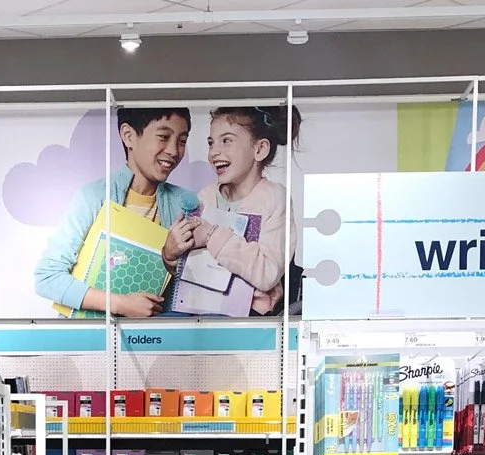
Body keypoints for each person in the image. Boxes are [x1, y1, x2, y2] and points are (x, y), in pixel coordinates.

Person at [35, 107, 199, 318]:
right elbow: (47, 278)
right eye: (163, 137)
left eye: (182, 141)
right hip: (90, 340)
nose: (174, 151)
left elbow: (196, 294)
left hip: (155, 342)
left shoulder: (186, 204)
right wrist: (120, 304)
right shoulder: (93, 197)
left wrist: (171, 260)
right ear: (129, 136)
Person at [191, 105, 301, 316]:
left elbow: (267, 273)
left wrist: (212, 235)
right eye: (211, 143)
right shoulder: (204, 197)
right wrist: (172, 252)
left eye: (227, 140)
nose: (214, 152)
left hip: (252, 320)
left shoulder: (274, 198)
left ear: (259, 149)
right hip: (198, 313)